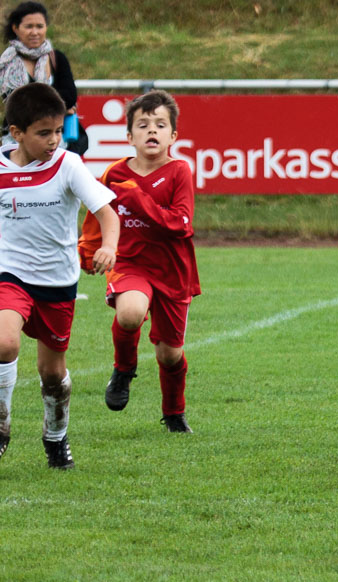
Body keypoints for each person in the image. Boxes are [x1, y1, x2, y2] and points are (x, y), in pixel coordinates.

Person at [0, 82, 119, 468]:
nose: (54, 140)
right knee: (4, 344)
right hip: (9, 272)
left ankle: (55, 436)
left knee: (52, 373)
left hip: (56, 281)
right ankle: (1, 427)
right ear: (16, 133)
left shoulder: (68, 164)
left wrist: (109, 246)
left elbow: (106, 213)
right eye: (43, 133)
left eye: (58, 130)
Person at [78, 90, 201, 433]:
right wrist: (88, 250)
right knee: (130, 313)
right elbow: (98, 215)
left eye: (160, 125)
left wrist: (137, 196)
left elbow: (180, 224)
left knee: (169, 355)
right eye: (143, 124)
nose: (152, 130)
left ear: (173, 136)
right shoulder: (114, 174)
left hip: (173, 271)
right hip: (130, 262)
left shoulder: (179, 171)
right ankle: (123, 369)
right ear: (129, 136)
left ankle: (174, 413)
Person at [0, 2, 77, 146]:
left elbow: (70, 96)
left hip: (55, 141)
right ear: (15, 28)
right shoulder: (6, 63)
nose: (35, 32)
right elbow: (12, 103)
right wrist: (55, 104)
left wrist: (30, 104)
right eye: (29, 27)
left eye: (39, 26)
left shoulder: (56, 58)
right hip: (15, 139)